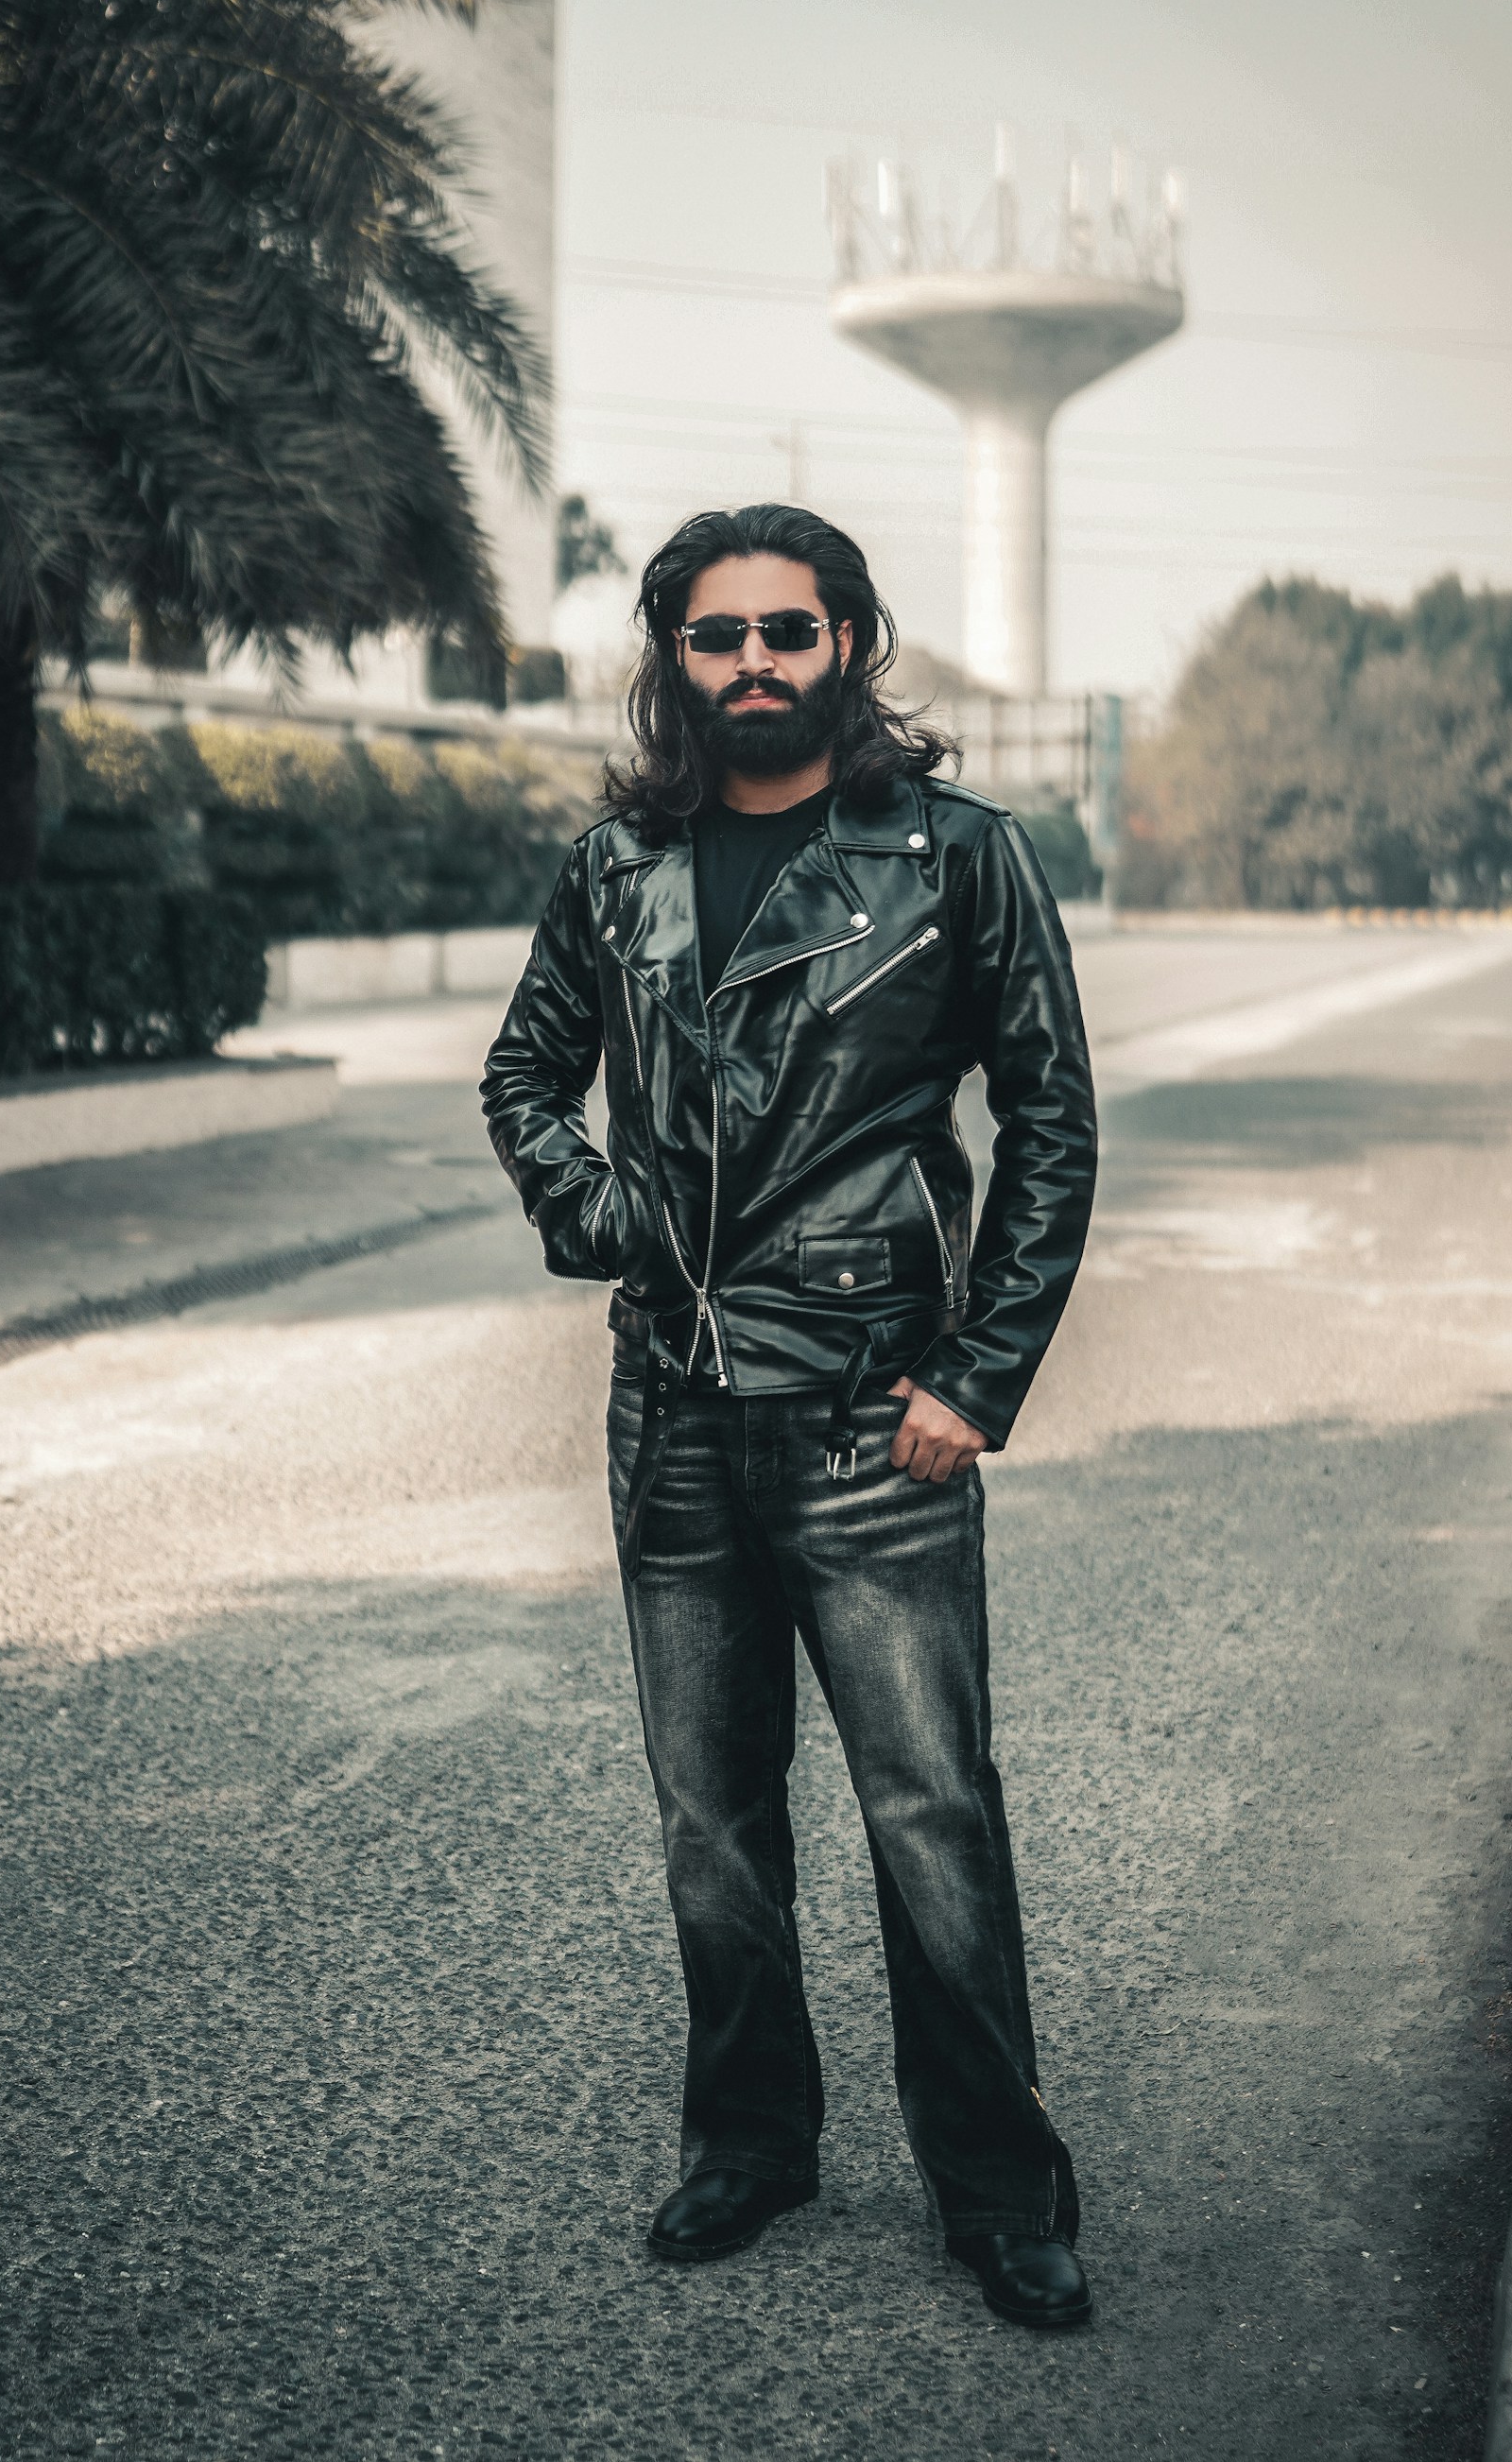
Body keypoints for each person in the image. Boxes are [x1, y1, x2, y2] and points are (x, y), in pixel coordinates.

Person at [480, 504, 1097, 2329]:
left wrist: (978, 1376)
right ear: (674, 655)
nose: (755, 662)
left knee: (930, 1813)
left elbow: (1049, 1122)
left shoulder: (957, 858)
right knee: (712, 1815)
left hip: (868, 1418)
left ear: (851, 644)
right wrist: (588, 1212)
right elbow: (527, 1070)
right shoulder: (617, 865)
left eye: (790, 632)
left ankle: (998, 2186)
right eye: (719, 635)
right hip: (670, 1414)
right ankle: (750, 2137)